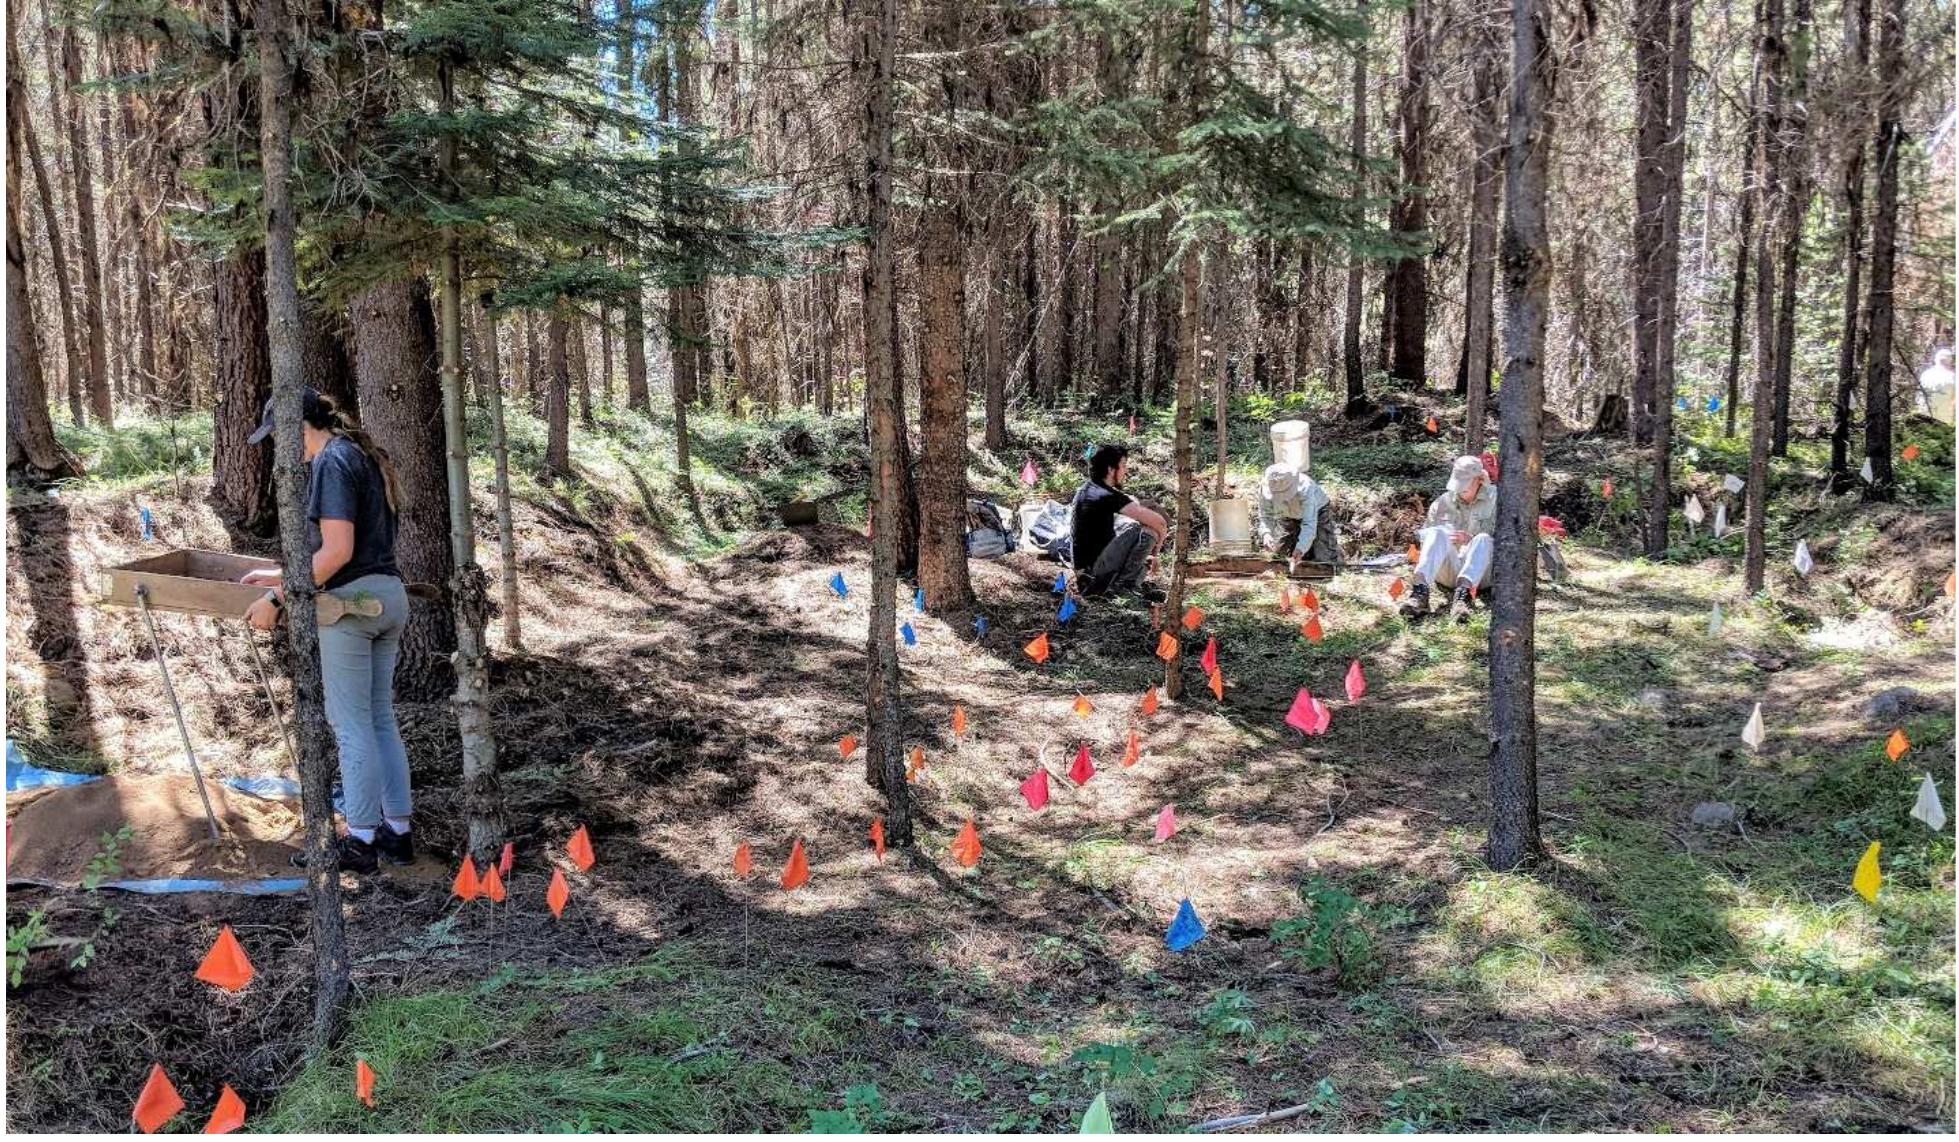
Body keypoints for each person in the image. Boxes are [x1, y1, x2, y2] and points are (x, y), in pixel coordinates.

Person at [239, 389, 413, 874]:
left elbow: (336, 553)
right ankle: (396, 832)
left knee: (351, 723)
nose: (280, 446)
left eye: (279, 436)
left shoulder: (332, 462)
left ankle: (358, 841)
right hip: (385, 596)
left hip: (349, 608)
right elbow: (346, 553)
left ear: (300, 426)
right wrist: (279, 574)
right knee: (378, 719)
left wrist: (278, 599)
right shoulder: (356, 455)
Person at [1405, 454, 1496, 624]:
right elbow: (1425, 539)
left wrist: (1471, 539)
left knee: (1483, 539)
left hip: (1482, 572)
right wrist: (1443, 538)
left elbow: (1509, 543)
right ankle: (1420, 592)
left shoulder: (1497, 499)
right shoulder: (1442, 502)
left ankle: (1464, 597)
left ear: (1478, 479)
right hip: (1448, 569)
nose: (1461, 490)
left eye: (1466, 484)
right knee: (1436, 533)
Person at [1070, 444, 1168, 602]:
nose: (1126, 471)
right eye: (1123, 465)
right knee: (1148, 530)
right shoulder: (1106, 495)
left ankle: (1124, 588)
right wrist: (1156, 551)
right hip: (1094, 574)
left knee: (1142, 561)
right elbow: (1160, 523)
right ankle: (1124, 588)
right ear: (1110, 469)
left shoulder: (1086, 490)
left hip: (1085, 575)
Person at [1255, 462, 1340, 564]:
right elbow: (1266, 515)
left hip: (1318, 511)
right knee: (1280, 556)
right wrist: (1266, 534)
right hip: (1286, 515)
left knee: (1324, 557)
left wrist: (1301, 548)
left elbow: (1309, 523)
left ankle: (1329, 569)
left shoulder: (1306, 488)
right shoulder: (1265, 488)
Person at [1916, 347, 1955, 425]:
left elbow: (1918, 397)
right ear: (1950, 360)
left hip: (1924, 417)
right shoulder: (1953, 377)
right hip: (1944, 421)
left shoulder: (1925, 375)